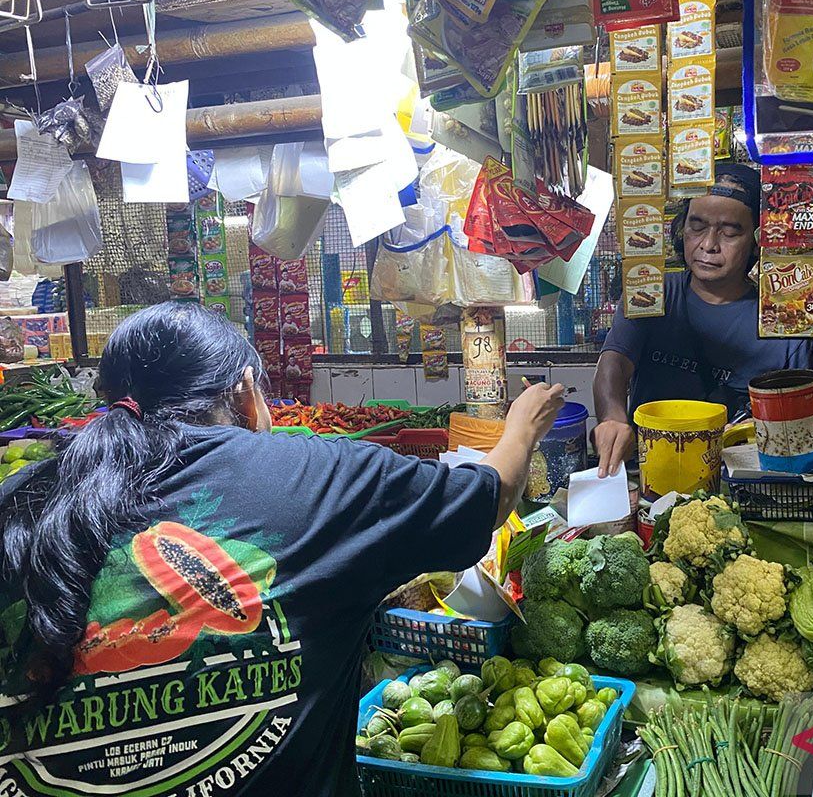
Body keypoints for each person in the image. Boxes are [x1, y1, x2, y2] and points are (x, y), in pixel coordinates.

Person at [0, 302, 564, 796]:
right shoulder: (317, 478)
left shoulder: (21, 499)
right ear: (245, 393)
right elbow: (487, 497)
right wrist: (520, 428)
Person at [593, 163, 813, 476]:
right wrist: (612, 416)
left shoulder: (783, 319)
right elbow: (614, 362)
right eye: (697, 226)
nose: (709, 245)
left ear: (757, 240)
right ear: (680, 229)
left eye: (729, 232)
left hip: (748, 489)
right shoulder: (653, 295)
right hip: (650, 481)